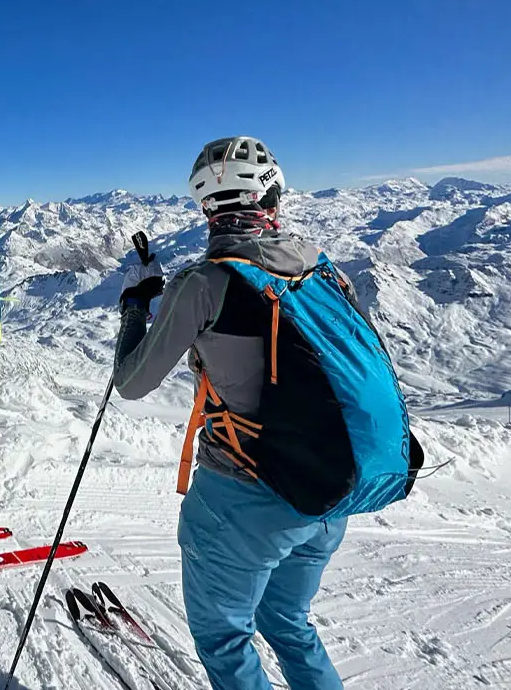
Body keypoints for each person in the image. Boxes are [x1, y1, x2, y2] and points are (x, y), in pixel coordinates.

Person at [111, 136, 406, 690]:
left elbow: (131, 383)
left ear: (205, 208)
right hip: (326, 485)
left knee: (225, 636)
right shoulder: (323, 269)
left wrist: (133, 307)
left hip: (244, 497)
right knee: (288, 622)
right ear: (274, 196)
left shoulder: (203, 283)